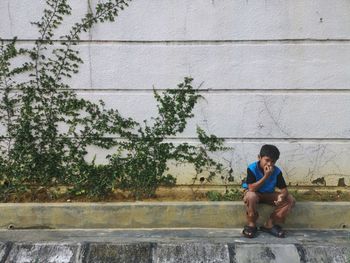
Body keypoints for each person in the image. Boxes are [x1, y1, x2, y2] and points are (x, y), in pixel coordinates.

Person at [241, 144, 295, 238]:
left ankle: (269, 224)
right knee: (251, 196)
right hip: (255, 194)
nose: (269, 164)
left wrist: (281, 197)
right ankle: (251, 224)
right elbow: (251, 188)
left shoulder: (277, 171)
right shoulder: (252, 168)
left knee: (290, 199)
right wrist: (266, 176)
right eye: (267, 160)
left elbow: (284, 190)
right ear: (259, 157)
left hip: (268, 194)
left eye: (273, 161)